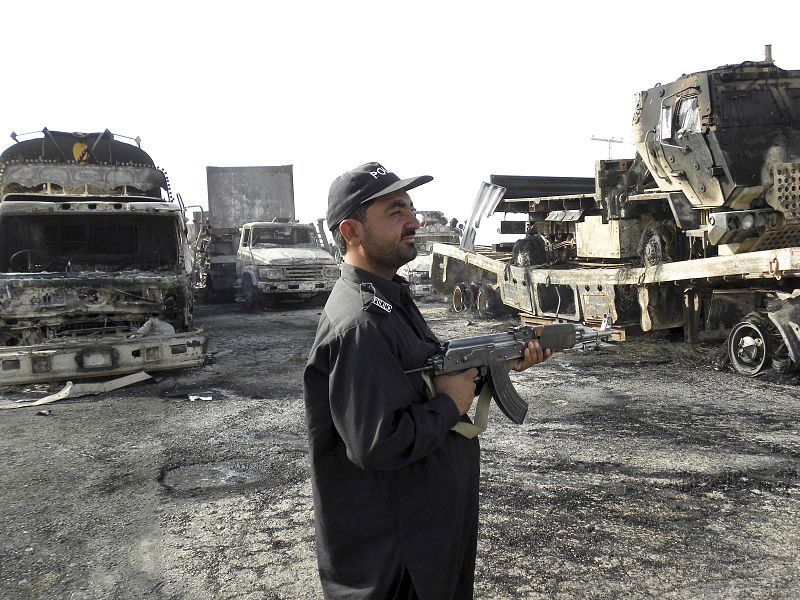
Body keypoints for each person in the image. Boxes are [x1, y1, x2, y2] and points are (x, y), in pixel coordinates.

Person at [303, 162, 551, 599]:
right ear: (352, 232)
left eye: (412, 209)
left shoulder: (388, 300)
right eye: (395, 211)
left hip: (425, 541)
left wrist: (497, 362)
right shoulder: (360, 323)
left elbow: (422, 376)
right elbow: (377, 443)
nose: (414, 222)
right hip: (397, 564)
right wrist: (451, 404)